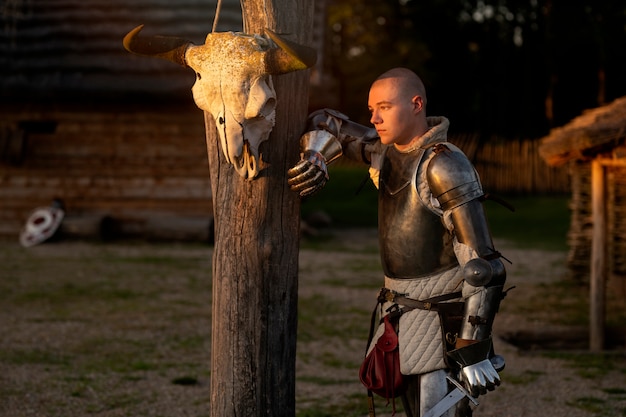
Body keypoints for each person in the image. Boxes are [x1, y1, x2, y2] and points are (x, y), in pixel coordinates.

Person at [287, 68, 507, 417]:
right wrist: (317, 154)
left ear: (416, 104)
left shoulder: (445, 164)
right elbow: (326, 119)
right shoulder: (385, 152)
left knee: (439, 412)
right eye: (371, 108)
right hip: (400, 309)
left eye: (384, 107)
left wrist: (472, 346)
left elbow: (483, 267)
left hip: (441, 319)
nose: (373, 118)